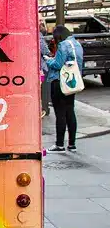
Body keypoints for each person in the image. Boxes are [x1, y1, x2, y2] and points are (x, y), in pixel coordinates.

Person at [44, 24, 85, 152]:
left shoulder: (63, 45)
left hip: (59, 82)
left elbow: (57, 64)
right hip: (71, 82)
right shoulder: (77, 45)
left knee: (60, 114)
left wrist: (47, 59)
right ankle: (72, 144)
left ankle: (59, 144)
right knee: (70, 112)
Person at [40, 30, 51, 118]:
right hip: (41, 70)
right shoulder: (38, 35)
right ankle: (44, 108)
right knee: (44, 87)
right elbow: (45, 50)